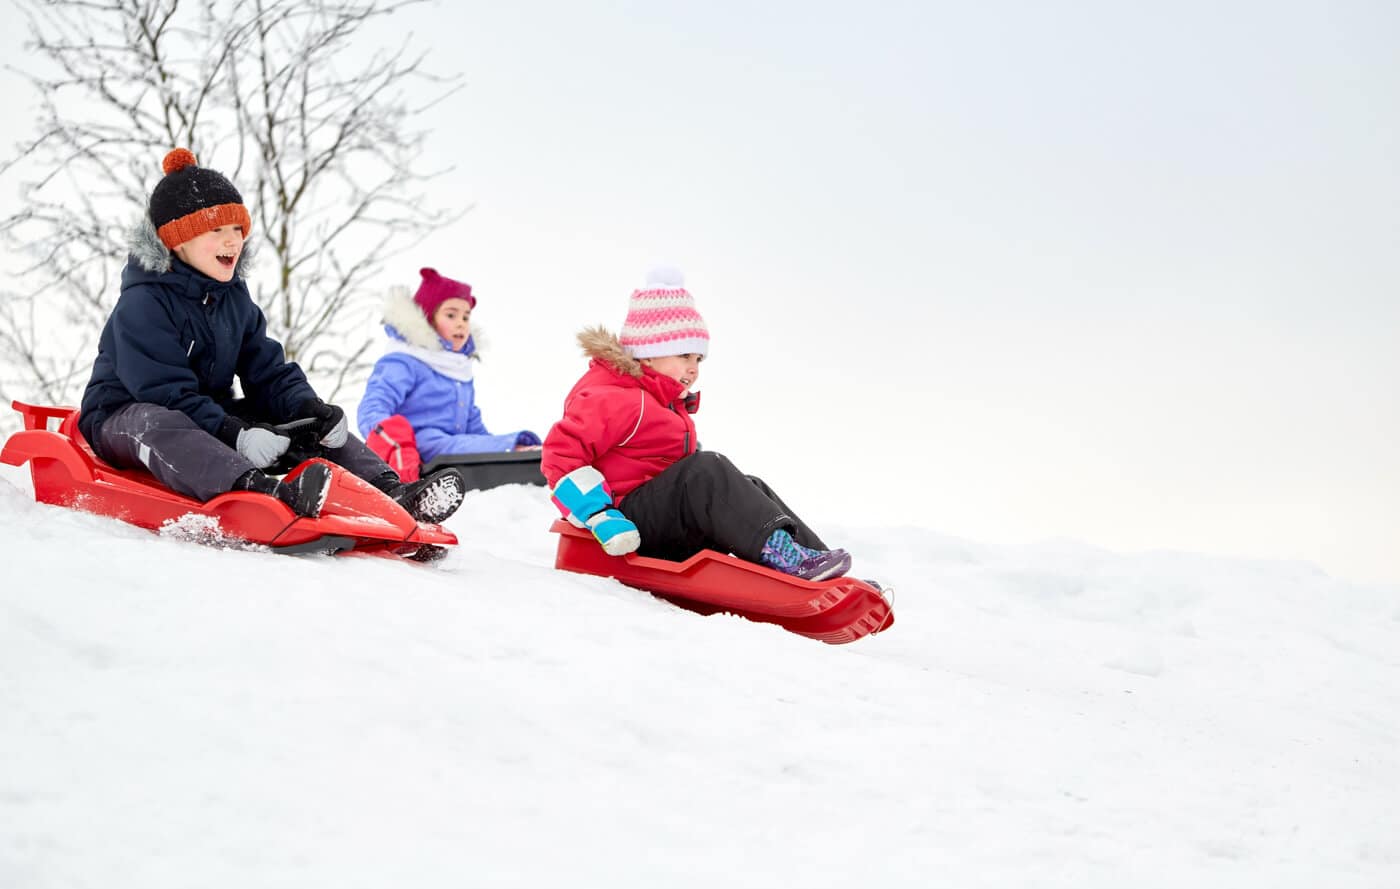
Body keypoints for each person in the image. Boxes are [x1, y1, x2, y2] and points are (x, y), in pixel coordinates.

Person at [77, 147, 467, 524]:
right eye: (217, 229)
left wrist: (309, 409)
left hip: (207, 414)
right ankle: (262, 494)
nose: (233, 240)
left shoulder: (233, 297)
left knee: (303, 422)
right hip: (123, 416)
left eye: (237, 229)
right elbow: (165, 393)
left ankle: (393, 492)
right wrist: (235, 434)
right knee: (159, 422)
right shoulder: (143, 303)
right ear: (177, 239)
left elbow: (267, 371)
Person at [541, 267, 852, 581]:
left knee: (751, 485)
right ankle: (785, 557)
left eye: (698, 360)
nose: (693, 369)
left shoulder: (661, 404)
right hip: (622, 526)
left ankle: (820, 565)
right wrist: (598, 514)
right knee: (705, 470)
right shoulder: (616, 397)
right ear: (647, 355)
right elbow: (560, 457)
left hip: (659, 523)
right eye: (684, 356)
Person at [356, 267, 540, 480]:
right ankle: (513, 450)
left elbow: (472, 426)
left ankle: (517, 457)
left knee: (467, 443)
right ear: (427, 318)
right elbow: (373, 407)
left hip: (454, 447)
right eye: (451, 315)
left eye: (466, 317)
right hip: (417, 446)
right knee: (445, 442)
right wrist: (390, 440)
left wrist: (494, 448)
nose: (461, 323)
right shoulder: (404, 361)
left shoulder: (458, 370)